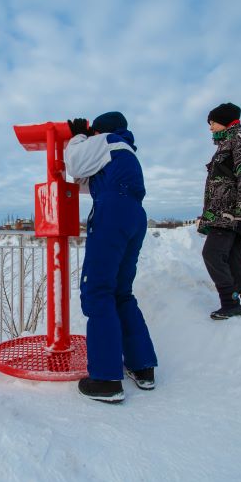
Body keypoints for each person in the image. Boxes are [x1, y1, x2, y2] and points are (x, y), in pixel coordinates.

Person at [65, 111, 158, 403]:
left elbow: (74, 163)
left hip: (112, 213)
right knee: (121, 292)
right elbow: (82, 179)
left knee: (97, 291)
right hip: (134, 216)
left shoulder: (106, 140)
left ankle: (105, 379)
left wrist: (77, 137)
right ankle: (142, 368)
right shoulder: (125, 150)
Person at [196, 102, 241, 321]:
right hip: (224, 212)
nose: (210, 128)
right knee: (236, 260)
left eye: (213, 122)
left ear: (225, 121)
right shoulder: (226, 144)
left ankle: (230, 302)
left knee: (212, 254)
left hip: (229, 213)